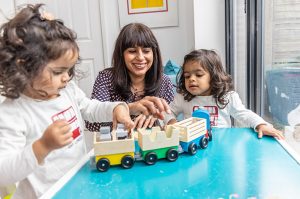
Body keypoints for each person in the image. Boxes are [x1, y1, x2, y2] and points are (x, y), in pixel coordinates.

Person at [0, 4, 134, 198]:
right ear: (25, 66)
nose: (66, 78)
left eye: (68, 70)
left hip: (78, 185)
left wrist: (117, 109)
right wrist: (42, 146)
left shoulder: (67, 90)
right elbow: (3, 172)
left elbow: (90, 107)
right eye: (58, 72)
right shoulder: (13, 113)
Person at [164, 49, 283, 139]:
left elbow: (244, 114)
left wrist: (260, 125)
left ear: (214, 76)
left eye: (199, 75)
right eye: (187, 76)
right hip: (194, 143)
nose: (191, 79)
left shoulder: (228, 96)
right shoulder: (183, 97)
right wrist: (172, 122)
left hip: (223, 144)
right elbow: (167, 112)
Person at [86, 23, 174, 131]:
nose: (141, 57)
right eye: (132, 51)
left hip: (153, 145)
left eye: (146, 51)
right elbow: (91, 124)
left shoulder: (164, 81)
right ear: (121, 54)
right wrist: (128, 109)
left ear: (154, 54)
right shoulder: (106, 78)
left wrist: (157, 116)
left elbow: (170, 117)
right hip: (119, 146)